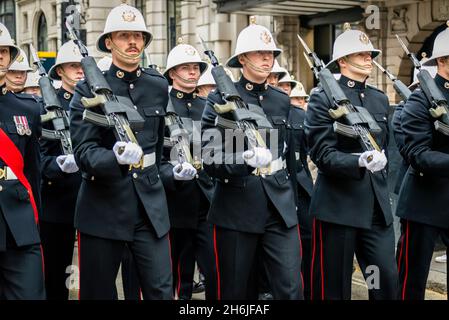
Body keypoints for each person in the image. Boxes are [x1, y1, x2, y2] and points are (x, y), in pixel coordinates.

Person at [69, 3, 172, 299]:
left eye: (138, 36)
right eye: (124, 35)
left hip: (150, 207)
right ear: (109, 42)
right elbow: (84, 152)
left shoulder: (157, 85)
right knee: (99, 292)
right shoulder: (88, 89)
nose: (133, 42)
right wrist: (113, 158)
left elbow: (161, 144)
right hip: (104, 207)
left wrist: (171, 168)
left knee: (161, 290)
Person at [201, 17, 303, 300]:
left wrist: (291, 200)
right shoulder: (219, 99)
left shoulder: (280, 99)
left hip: (279, 207)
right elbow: (209, 158)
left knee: (291, 288)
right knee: (234, 292)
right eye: (260, 53)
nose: (267, 58)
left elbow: (288, 159)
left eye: (270, 53)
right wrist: (243, 159)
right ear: (243, 58)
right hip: (237, 208)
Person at [305, 23, 399, 300]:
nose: (368, 58)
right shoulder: (322, 99)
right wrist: (358, 161)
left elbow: (386, 145)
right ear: (343, 61)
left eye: (370, 53)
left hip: (375, 210)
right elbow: (321, 153)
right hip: (339, 208)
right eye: (360, 54)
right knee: (334, 287)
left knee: (383, 280)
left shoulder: (379, 100)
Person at [395, 22, 449, 300]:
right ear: (442, 61)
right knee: (411, 283)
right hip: (423, 205)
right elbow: (417, 154)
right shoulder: (419, 101)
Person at [160, 40, 217, 300]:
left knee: (215, 272)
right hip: (175, 202)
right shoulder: (162, 107)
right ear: (172, 73)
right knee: (177, 276)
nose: (193, 72)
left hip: (206, 200)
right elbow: (157, 154)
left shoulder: (208, 107)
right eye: (186, 68)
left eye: (196, 67)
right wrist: (171, 173)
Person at [0, 22, 45, 300]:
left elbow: (33, 172)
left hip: (20, 227)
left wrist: (36, 218)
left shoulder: (26, 110)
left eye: (3, 52)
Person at [39, 40, 83, 300]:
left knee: (91, 275)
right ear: (60, 72)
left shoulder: (98, 104)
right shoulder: (48, 106)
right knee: (56, 274)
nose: (79, 71)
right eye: (73, 66)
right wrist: (58, 165)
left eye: (81, 66)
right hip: (59, 202)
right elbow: (39, 159)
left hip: (92, 200)